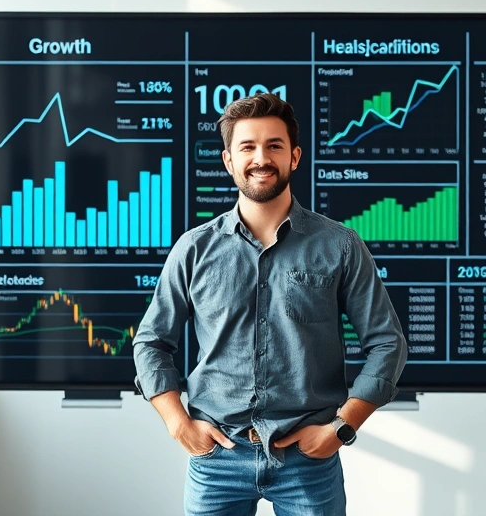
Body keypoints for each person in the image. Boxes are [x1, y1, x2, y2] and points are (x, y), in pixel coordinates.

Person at [132, 93, 407, 516]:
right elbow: (151, 341)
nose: (262, 158)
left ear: (294, 156)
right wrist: (177, 422)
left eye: (274, 146)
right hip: (216, 460)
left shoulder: (340, 246)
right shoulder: (194, 249)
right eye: (248, 147)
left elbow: (387, 343)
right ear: (228, 160)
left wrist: (342, 427)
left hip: (308, 463)